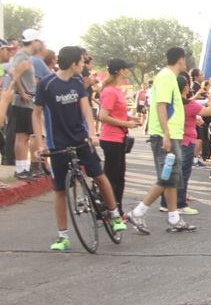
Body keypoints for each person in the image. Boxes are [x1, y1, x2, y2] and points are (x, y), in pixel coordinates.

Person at [32, 46, 128, 251]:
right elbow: (36, 113)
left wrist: (92, 134)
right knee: (59, 190)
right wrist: (40, 144)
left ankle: (114, 214)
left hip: (80, 140)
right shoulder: (47, 84)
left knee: (100, 176)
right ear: (74, 63)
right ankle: (62, 236)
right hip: (57, 144)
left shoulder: (77, 83)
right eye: (82, 62)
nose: (84, 65)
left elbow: (86, 111)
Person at [125, 46, 196, 233]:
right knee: (166, 178)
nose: (185, 62)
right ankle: (138, 212)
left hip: (171, 134)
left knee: (171, 178)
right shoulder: (166, 77)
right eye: (185, 59)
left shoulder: (168, 77)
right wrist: (166, 134)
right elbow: (162, 106)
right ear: (180, 59)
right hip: (167, 135)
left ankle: (174, 218)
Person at [163, 74, 211, 213]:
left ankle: (165, 202)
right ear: (185, 87)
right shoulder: (188, 104)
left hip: (173, 139)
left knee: (170, 172)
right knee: (182, 174)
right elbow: (209, 111)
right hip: (185, 141)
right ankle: (180, 204)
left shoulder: (171, 102)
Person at [98, 58, 140, 213]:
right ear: (119, 71)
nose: (127, 71)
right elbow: (103, 116)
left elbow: (116, 113)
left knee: (118, 176)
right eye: (125, 68)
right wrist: (126, 124)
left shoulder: (116, 90)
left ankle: (115, 207)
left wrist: (129, 117)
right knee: (113, 177)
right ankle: (110, 208)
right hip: (111, 138)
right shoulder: (110, 91)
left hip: (118, 137)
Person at [10, 29, 44, 179]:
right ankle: (20, 169)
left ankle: (25, 168)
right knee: (22, 136)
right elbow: (14, 73)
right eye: (38, 41)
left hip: (29, 100)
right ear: (34, 41)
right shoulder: (21, 55)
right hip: (23, 100)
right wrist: (22, 91)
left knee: (25, 135)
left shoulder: (27, 56)